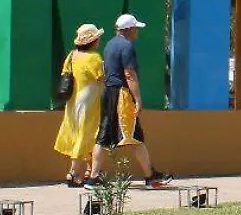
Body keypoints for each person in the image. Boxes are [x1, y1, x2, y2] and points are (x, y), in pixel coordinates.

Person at [91, 14, 173, 189]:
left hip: (108, 92)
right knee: (135, 135)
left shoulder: (110, 44)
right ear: (128, 30)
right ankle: (151, 177)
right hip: (121, 94)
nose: (137, 32)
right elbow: (129, 74)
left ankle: (93, 178)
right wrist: (137, 99)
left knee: (103, 135)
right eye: (136, 28)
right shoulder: (127, 46)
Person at [54, 24, 106, 186]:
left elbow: (65, 74)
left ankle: (92, 171)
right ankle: (73, 171)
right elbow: (101, 78)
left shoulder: (72, 56)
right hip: (89, 103)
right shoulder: (94, 58)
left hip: (72, 103)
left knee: (81, 134)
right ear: (93, 41)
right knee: (87, 134)